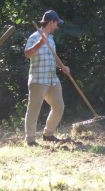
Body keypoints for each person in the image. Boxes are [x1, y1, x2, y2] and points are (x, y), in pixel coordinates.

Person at [23, 9, 73, 145]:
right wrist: (40, 43)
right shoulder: (35, 36)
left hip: (52, 79)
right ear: (51, 22)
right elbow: (27, 54)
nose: (57, 26)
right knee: (34, 109)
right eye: (57, 23)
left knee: (59, 107)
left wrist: (62, 66)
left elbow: (53, 57)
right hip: (38, 79)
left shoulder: (51, 39)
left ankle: (48, 134)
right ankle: (30, 140)